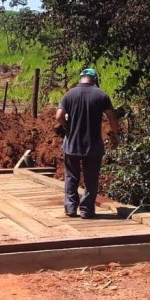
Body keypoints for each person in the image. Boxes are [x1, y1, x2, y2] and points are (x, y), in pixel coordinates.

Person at [55, 68, 120, 219]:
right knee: (91, 179)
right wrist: (115, 134)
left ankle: (71, 208)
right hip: (93, 145)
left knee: (71, 176)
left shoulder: (69, 94)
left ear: (80, 78)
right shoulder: (101, 95)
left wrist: (66, 125)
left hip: (72, 144)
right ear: (94, 79)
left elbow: (58, 116)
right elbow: (112, 117)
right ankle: (86, 210)